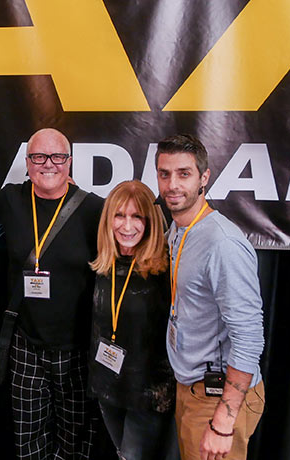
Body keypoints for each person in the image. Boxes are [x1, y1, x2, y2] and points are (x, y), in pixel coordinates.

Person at [0, 127, 104, 460]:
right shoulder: (11, 199)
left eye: (57, 157)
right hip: (26, 345)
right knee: (28, 439)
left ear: (69, 162)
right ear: (27, 161)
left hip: (77, 349)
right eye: (39, 157)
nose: (47, 164)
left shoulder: (95, 210)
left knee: (76, 440)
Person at [155, 134, 265, 460]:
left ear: (204, 177)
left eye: (184, 173)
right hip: (191, 389)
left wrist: (224, 420)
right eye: (164, 173)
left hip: (217, 398)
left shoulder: (223, 244)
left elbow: (248, 336)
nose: (172, 184)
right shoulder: (178, 229)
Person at [88, 180, 178, 460]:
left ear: (149, 221)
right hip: (108, 386)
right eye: (120, 215)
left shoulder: (166, 267)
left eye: (136, 216)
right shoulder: (105, 262)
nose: (127, 226)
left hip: (147, 394)